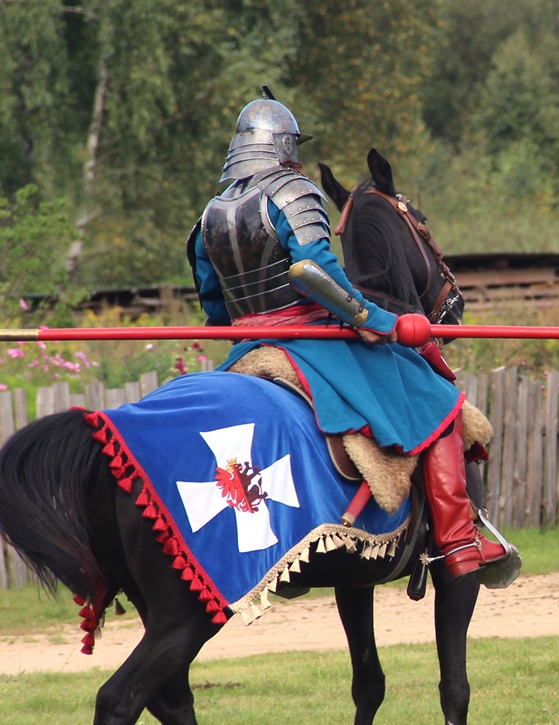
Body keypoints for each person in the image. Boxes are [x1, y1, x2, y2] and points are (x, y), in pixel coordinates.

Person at [187, 93, 515, 583]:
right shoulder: (291, 192)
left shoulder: (210, 214)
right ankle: (459, 542)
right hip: (309, 337)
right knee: (437, 398)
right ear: (282, 146)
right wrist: (373, 319)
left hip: (246, 346)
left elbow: (213, 303)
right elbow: (313, 267)